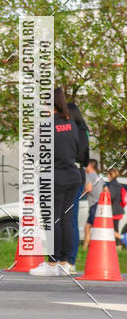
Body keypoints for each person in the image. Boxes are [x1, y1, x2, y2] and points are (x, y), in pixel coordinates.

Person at [30, 88, 82, 276]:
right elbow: (77, 149)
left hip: (53, 177)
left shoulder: (47, 126)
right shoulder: (72, 125)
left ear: (48, 105)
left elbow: (32, 153)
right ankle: (64, 263)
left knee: (53, 221)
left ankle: (52, 265)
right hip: (72, 176)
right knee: (66, 220)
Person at [66, 101, 89, 274]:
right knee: (65, 218)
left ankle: (70, 260)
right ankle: (64, 259)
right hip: (76, 174)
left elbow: (82, 157)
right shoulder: (83, 130)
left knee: (69, 219)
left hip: (72, 174)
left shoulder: (76, 130)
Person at [82, 159, 103, 252]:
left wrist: (79, 194)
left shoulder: (90, 175)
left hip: (94, 204)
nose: (84, 168)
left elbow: (89, 189)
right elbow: (105, 190)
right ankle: (86, 248)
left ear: (90, 165)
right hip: (99, 204)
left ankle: (123, 237)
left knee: (92, 227)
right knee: (89, 227)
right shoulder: (99, 177)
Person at [105, 168, 126, 245]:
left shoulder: (112, 185)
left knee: (113, 229)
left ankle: (120, 241)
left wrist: (106, 191)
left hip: (114, 211)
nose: (107, 176)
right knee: (114, 228)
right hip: (118, 210)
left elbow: (111, 196)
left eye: (107, 174)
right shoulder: (118, 184)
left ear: (110, 175)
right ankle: (117, 244)